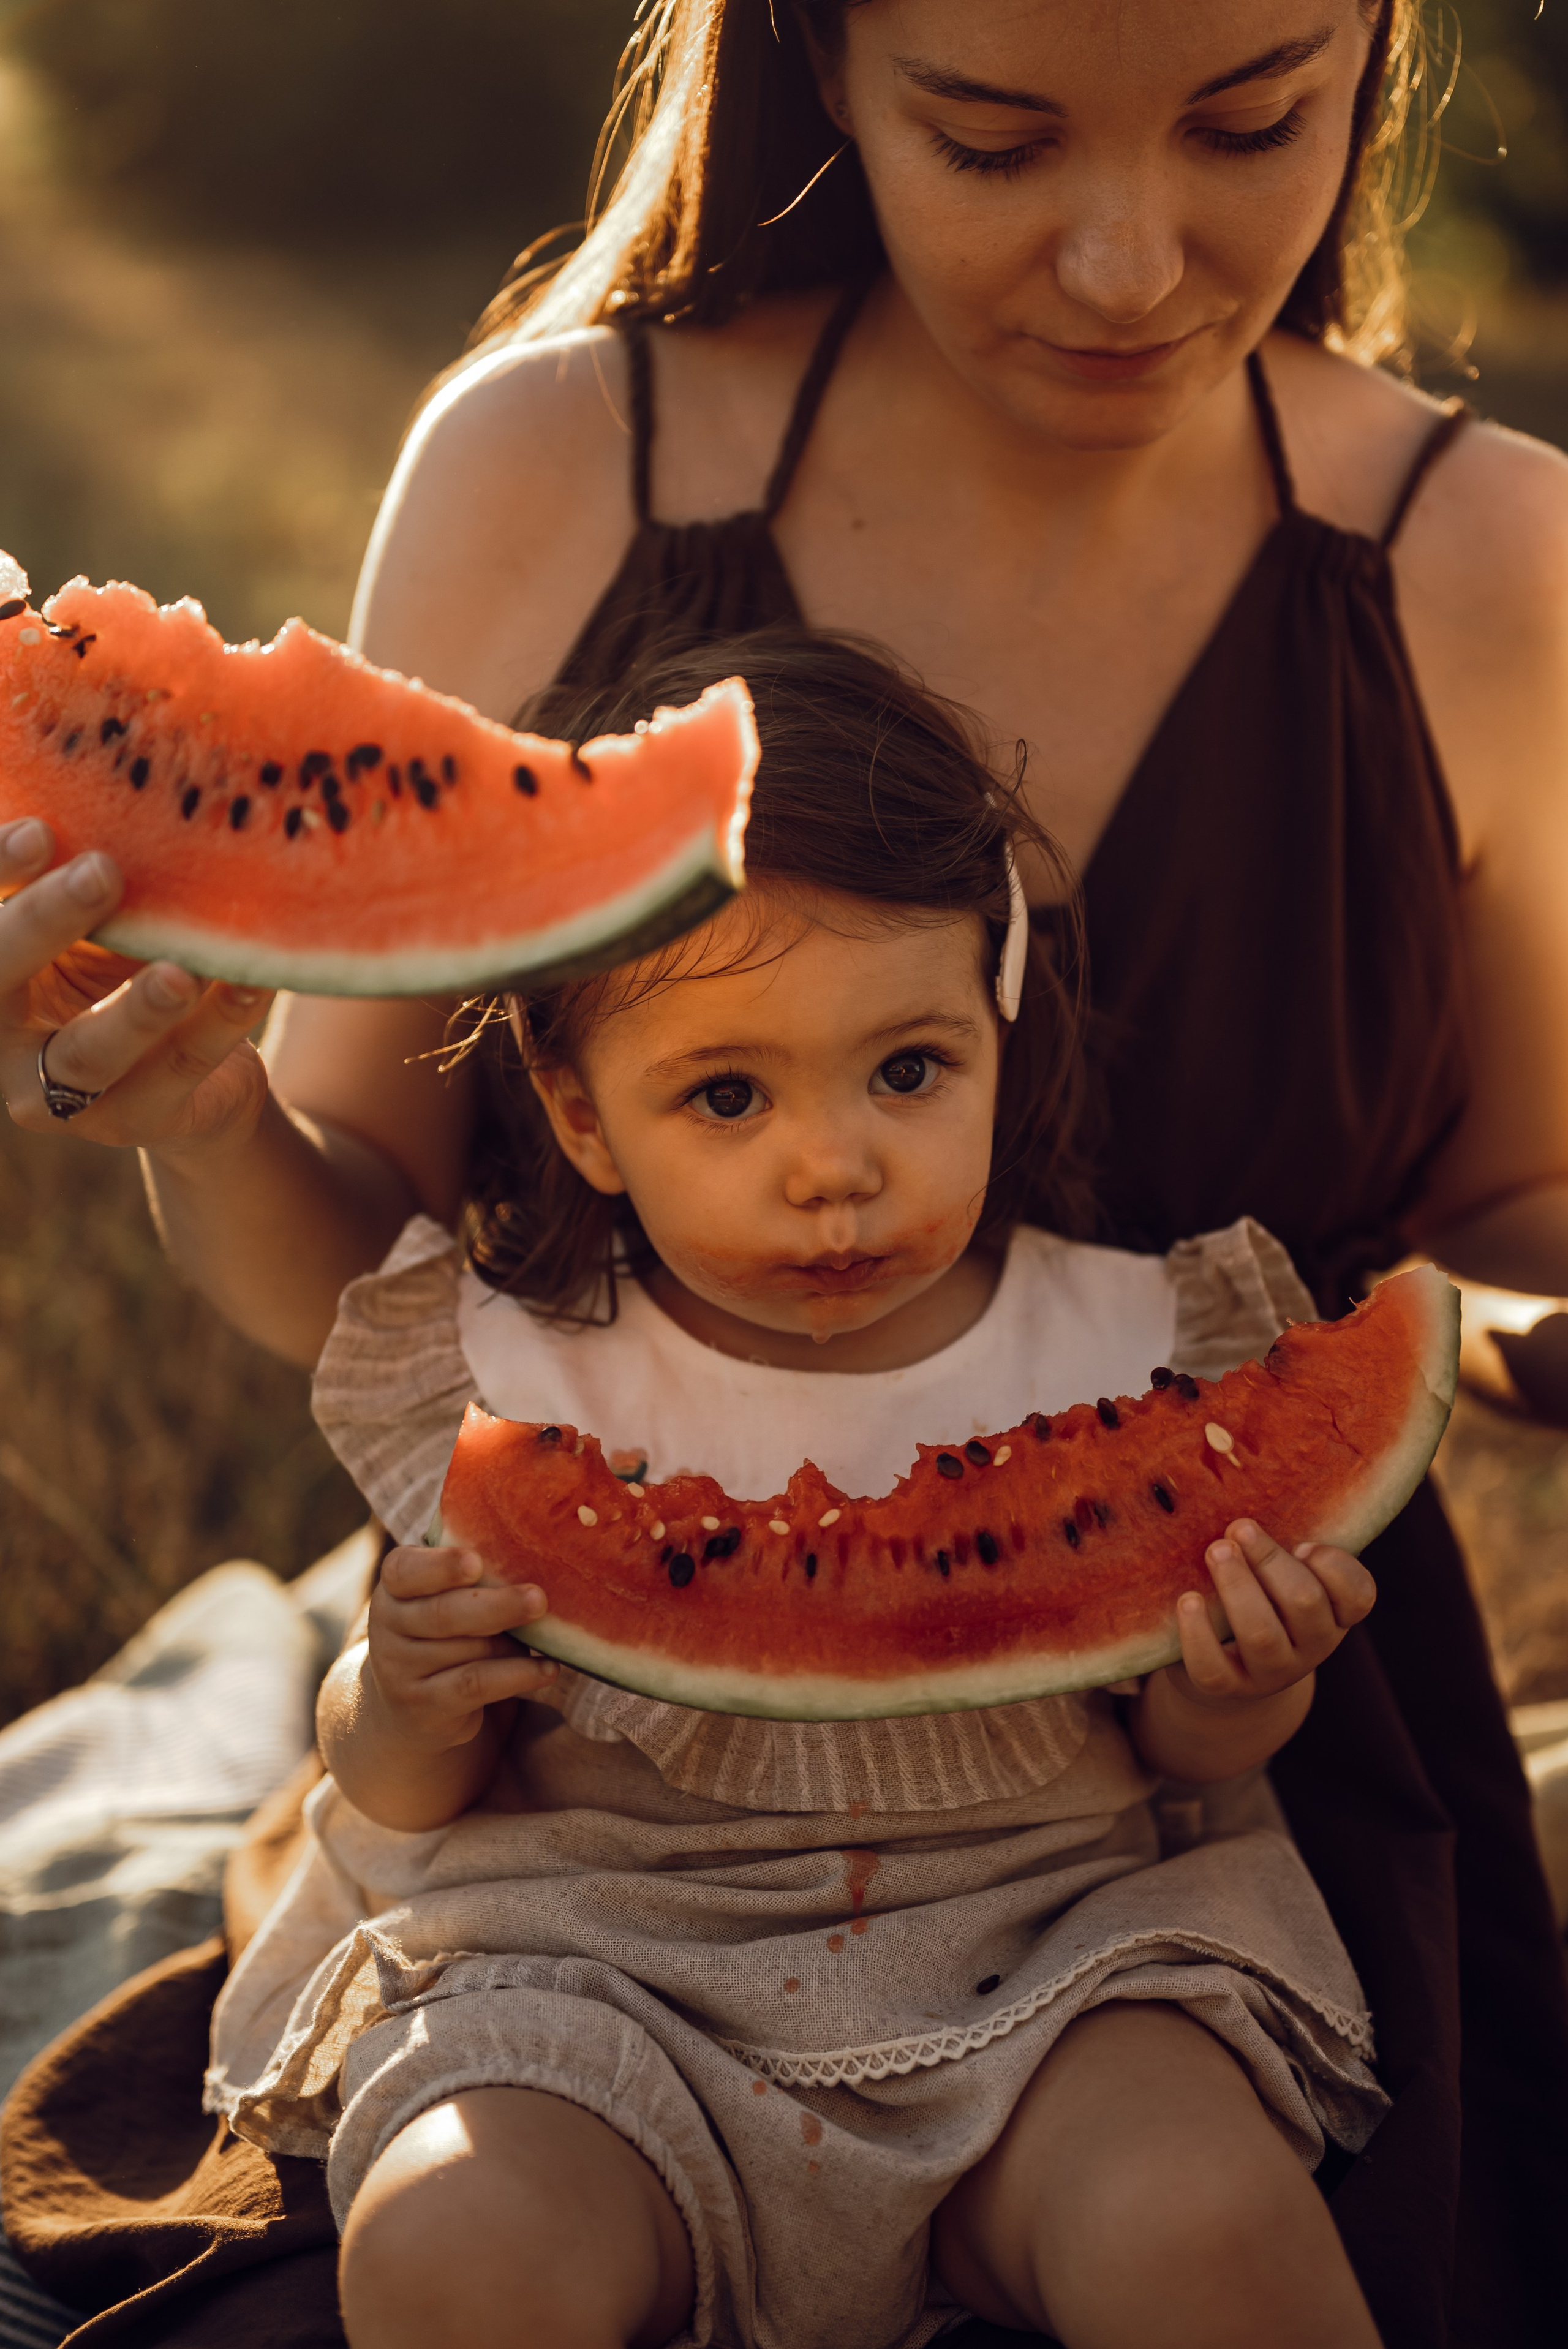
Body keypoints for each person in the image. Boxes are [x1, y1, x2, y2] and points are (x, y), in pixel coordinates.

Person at [2, 1, 1566, 2337]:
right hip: (580, 1793)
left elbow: (1512, 1228)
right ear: (825, 66)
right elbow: (371, 1247)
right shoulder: (562, 463)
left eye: (1254, 121)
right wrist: (208, 1114)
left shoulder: (1494, 548)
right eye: (996, 135)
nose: (1132, 260)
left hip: (1201, 1756)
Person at [208, 634, 1388, 2349]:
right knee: (456, 2241)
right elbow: (402, 1786)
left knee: (1203, 2214)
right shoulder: (521, 1377)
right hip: (599, 1990)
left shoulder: (1140, 1351)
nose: (832, 1165)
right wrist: (398, 1690)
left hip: (1046, 1972)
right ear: (581, 1111)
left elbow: (1179, 1762)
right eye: (728, 1093)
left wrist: (1242, 1689)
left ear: (998, 1018)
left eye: (908, 1070)